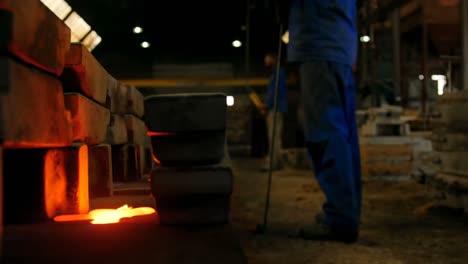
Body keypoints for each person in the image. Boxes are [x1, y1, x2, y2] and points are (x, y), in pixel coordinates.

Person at [284, 0, 362, 243]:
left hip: (319, 41)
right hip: (339, 45)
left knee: (326, 131)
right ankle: (346, 214)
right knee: (343, 133)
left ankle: (340, 219)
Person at [261, 53, 288, 171]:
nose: (265, 62)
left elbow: (274, 91)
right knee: (275, 137)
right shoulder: (277, 74)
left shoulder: (278, 74)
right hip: (276, 108)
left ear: (274, 60)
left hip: (275, 109)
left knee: (273, 137)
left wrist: (266, 105)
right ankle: (278, 163)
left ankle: (273, 164)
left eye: (267, 60)